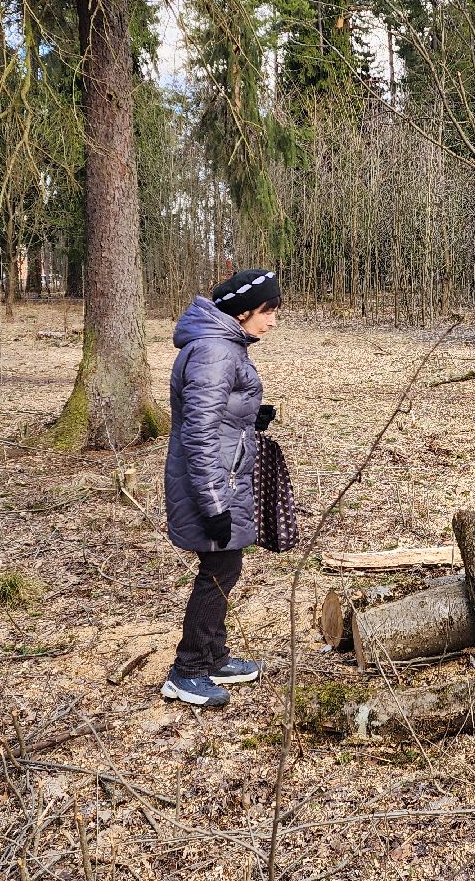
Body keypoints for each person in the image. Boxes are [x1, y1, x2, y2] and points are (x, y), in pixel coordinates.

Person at [161, 269, 281, 707]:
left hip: (222, 478)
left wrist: (251, 417)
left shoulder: (224, 346)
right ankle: (187, 670)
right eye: (268, 311)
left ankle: (212, 656)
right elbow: (198, 434)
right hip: (211, 484)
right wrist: (213, 503)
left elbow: (217, 414)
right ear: (243, 310)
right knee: (218, 571)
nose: (272, 321)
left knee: (224, 568)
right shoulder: (215, 351)